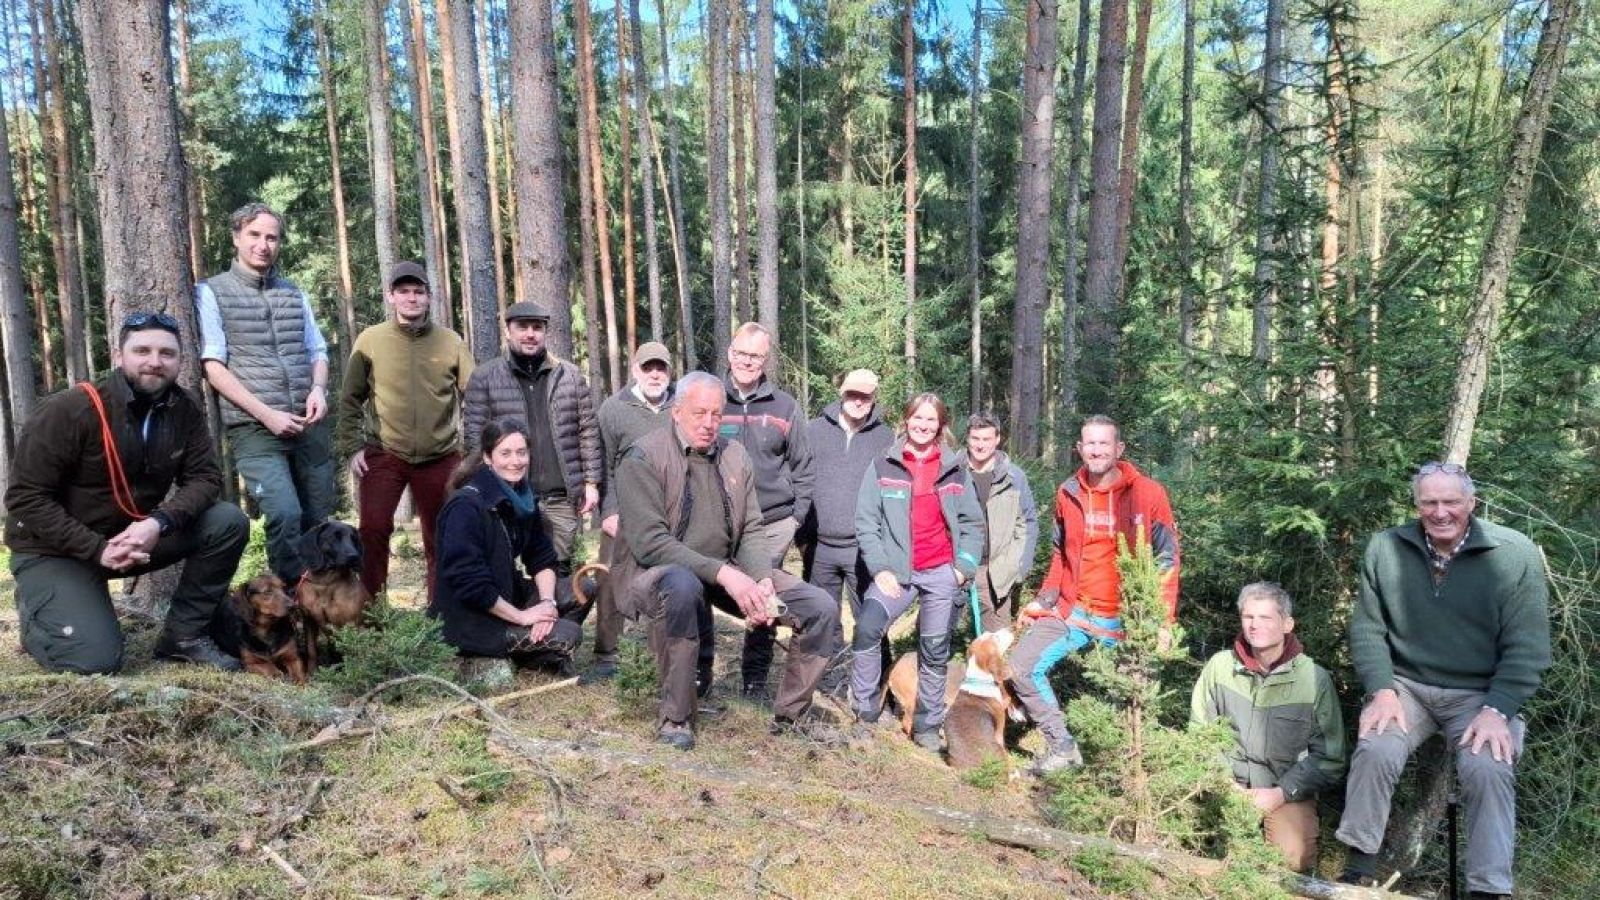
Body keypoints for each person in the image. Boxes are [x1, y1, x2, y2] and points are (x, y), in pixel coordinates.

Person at [1334, 463, 1551, 899]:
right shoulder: (1387, 548)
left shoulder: (1513, 554)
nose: (1440, 512)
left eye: (1451, 501)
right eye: (1429, 502)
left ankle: (1489, 889)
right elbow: (1367, 629)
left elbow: (1528, 647)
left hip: (1480, 693)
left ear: (1471, 503)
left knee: (1488, 766)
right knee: (1377, 746)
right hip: (1406, 686)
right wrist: (1381, 689)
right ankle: (1358, 868)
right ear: (1416, 505)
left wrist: (1499, 708)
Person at [5, 312, 249, 674]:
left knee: (226, 520)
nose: (155, 362)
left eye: (167, 353)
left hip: (130, 542)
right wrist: (97, 550)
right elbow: (25, 500)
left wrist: (159, 522)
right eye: (142, 350)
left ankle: (183, 638)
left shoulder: (184, 410)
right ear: (119, 356)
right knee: (94, 661)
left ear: (180, 361)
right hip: (54, 551)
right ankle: (39, 610)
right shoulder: (70, 410)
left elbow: (205, 479)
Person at [610, 372, 839, 751]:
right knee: (683, 586)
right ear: (676, 411)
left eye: (717, 414)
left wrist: (761, 578)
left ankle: (791, 716)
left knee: (820, 607)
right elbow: (651, 544)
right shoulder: (642, 457)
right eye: (699, 413)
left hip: (724, 569)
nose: (709, 423)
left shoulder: (735, 456)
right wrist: (727, 575)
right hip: (654, 575)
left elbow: (751, 526)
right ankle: (677, 717)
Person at [1010, 414, 1180, 775]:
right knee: (1021, 666)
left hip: (1126, 619)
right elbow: (1060, 555)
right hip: (1075, 611)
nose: (1097, 450)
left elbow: (1167, 560)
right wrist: (1044, 600)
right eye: (1090, 443)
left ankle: (1120, 773)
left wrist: (1163, 622)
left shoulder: (1148, 493)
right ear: (1079, 449)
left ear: (1119, 448)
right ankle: (1062, 747)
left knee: (1129, 698)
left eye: (1104, 443)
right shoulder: (1068, 492)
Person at [198, 202, 334, 585]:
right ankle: (288, 601)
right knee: (285, 513)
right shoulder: (210, 292)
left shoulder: (293, 293)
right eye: (254, 235)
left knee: (317, 515)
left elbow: (317, 351)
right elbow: (213, 366)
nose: (263, 244)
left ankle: (323, 605)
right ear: (237, 237)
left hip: (308, 423)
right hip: (255, 428)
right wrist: (266, 414)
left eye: (271, 237)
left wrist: (319, 391)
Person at [849, 392, 984, 752]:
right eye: (917, 418)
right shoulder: (884, 464)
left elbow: (972, 523)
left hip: (941, 572)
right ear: (906, 420)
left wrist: (963, 568)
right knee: (867, 628)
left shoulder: (955, 468)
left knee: (935, 649)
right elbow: (866, 521)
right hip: (896, 573)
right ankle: (863, 712)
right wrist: (879, 569)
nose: (922, 426)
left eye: (931, 420)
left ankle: (926, 725)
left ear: (941, 426)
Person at [337, 261, 473, 599]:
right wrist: (352, 448)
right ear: (391, 297)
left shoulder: (450, 342)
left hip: (440, 455)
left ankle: (440, 613)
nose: (411, 298)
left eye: (418, 292)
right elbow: (350, 398)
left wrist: (470, 452)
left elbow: (475, 393)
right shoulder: (370, 340)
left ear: (428, 298)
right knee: (372, 529)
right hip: (384, 453)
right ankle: (370, 612)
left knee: (440, 534)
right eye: (404, 292)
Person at [1190, 582, 1345, 873]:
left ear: (1287, 624)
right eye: (1248, 617)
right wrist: (1226, 786)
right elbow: (1200, 735)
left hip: (1285, 792)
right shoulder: (1219, 667)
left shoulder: (1314, 678)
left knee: (1291, 861)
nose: (1254, 625)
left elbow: (1330, 758)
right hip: (1225, 786)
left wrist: (1278, 794)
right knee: (1208, 861)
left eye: (1265, 618)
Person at [430, 417, 583, 670]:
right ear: (488, 458)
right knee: (570, 635)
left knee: (582, 588)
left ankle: (537, 646)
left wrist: (546, 604)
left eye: (521, 452)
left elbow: (542, 557)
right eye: (505, 453)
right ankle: (532, 653)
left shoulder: (522, 497)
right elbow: (471, 585)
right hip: (474, 622)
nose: (515, 461)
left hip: (510, 597)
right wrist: (522, 617)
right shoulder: (465, 507)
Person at [462, 302, 600, 576]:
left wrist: (591, 482)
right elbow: (475, 440)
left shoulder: (569, 376)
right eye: (522, 327)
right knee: (502, 568)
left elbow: (587, 429)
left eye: (537, 328)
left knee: (558, 568)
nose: (530, 334)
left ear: (546, 332)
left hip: (560, 494)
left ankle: (555, 617)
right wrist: (486, 489)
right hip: (507, 494)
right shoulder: (485, 377)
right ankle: (515, 618)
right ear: (508, 331)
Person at [720, 322, 814, 701]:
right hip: (720, 520)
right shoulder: (712, 397)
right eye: (741, 353)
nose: (747, 361)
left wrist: (795, 519)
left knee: (763, 595)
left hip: (773, 521)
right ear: (730, 353)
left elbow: (803, 468)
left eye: (755, 356)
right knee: (707, 587)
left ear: (765, 360)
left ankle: (754, 680)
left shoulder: (785, 406)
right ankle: (699, 670)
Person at [800, 368, 895, 696]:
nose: (858, 401)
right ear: (841, 393)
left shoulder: (886, 438)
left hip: (863, 549)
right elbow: (799, 479)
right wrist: (801, 536)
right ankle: (827, 683)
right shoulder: (813, 430)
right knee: (823, 617)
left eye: (865, 396)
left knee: (869, 620)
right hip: (819, 546)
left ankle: (877, 688)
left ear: (873, 400)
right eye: (852, 394)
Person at [585, 341, 676, 682]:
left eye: (661, 368)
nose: (655, 374)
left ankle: (659, 657)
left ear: (669, 371)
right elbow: (601, 464)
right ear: (635, 370)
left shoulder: (680, 406)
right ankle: (606, 654)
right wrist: (607, 512)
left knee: (667, 585)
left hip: (668, 516)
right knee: (610, 581)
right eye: (648, 367)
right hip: (622, 514)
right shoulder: (613, 409)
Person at [958, 413, 1038, 634]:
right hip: (954, 567)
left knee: (996, 644)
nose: (980, 445)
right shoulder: (952, 472)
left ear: (997, 439)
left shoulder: (1014, 477)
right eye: (975, 439)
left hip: (995, 572)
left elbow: (1028, 523)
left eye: (986, 439)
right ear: (967, 438)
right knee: (938, 637)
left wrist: (1016, 567)